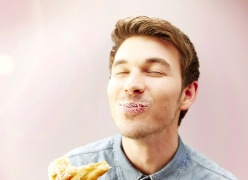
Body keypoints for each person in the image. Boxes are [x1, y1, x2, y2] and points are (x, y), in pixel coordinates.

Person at [66, 16, 237, 179]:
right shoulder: (73, 170)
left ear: (187, 94)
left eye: (155, 72)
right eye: (122, 72)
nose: (131, 85)